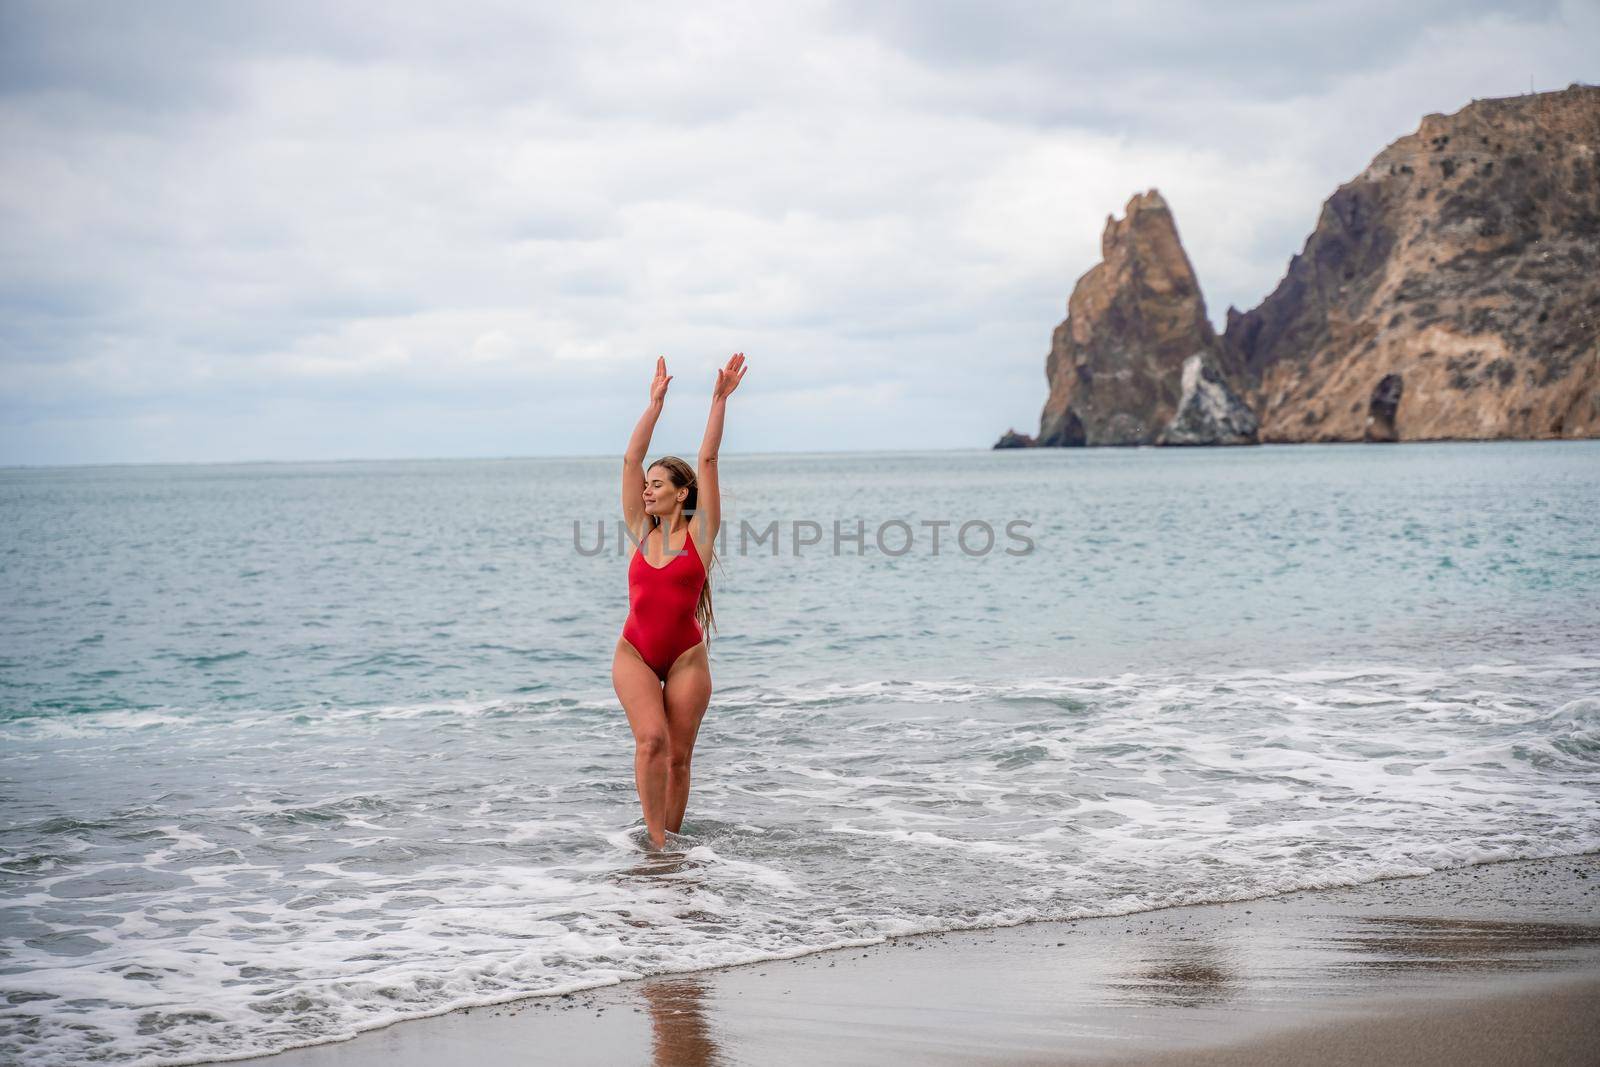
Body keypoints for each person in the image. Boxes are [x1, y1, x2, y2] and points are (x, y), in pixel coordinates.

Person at [614, 352, 748, 849]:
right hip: (635, 654)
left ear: (681, 492)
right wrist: (654, 404)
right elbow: (630, 460)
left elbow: (709, 459)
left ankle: (667, 837)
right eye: (645, 486)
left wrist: (719, 401)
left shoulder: (701, 536)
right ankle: (657, 847)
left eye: (657, 485)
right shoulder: (639, 531)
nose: (646, 491)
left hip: (688, 657)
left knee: (678, 757)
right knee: (652, 740)